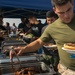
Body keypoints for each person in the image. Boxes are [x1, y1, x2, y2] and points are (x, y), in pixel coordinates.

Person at [10, 0, 75, 75]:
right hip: (66, 71)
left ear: (72, 4)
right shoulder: (53, 27)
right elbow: (39, 42)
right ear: (55, 11)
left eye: (68, 10)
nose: (66, 15)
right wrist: (23, 49)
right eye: (61, 13)